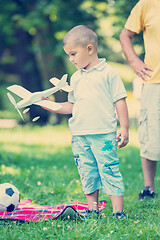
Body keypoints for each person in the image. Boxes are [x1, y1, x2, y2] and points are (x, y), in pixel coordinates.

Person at [43, 25, 129, 219]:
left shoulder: (108, 73)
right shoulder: (76, 78)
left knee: (109, 169)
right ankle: (92, 209)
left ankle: (118, 211)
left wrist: (124, 127)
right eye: (68, 55)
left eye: (73, 54)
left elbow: (120, 100)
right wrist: (50, 106)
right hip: (80, 135)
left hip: (103, 134)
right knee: (87, 172)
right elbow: (71, 106)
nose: (71, 59)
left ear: (89, 49)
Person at [120, 0, 160, 201]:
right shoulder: (147, 4)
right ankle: (148, 188)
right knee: (150, 135)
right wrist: (134, 61)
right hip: (155, 82)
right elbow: (125, 35)